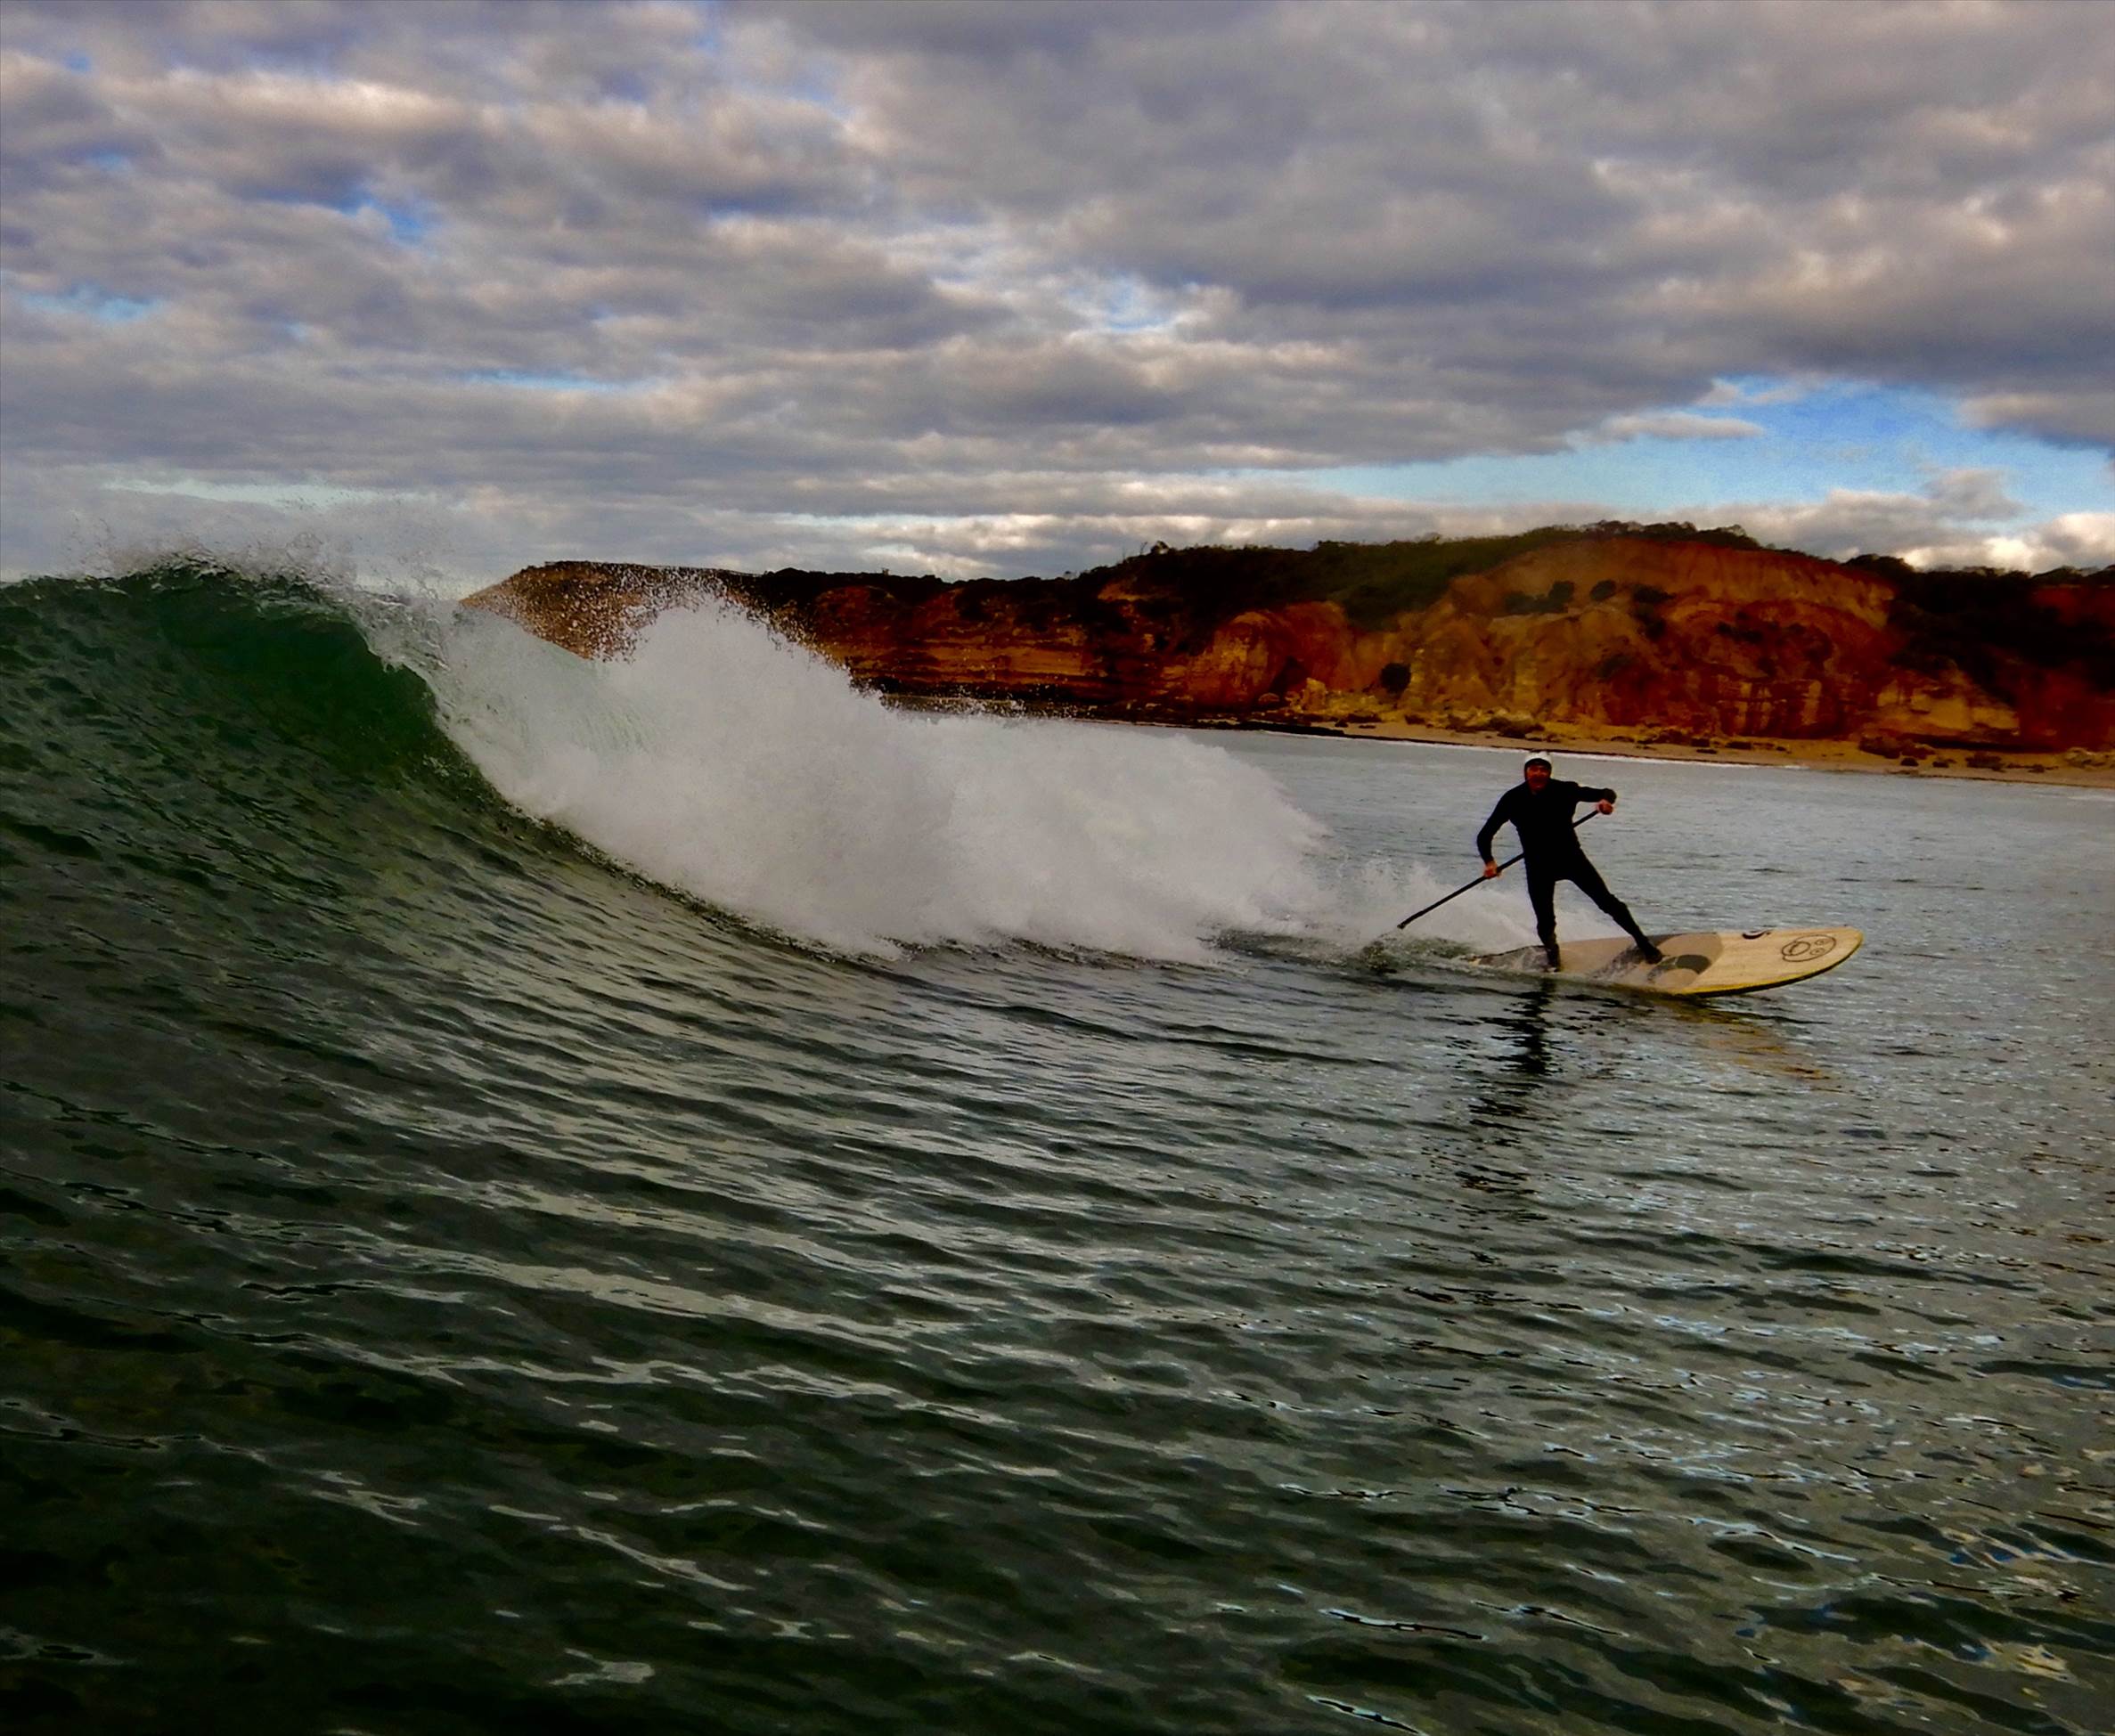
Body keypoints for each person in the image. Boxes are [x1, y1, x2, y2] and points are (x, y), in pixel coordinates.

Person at [1476, 756, 1662, 970]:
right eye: (1534, 769)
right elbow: (1485, 834)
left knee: (1608, 903)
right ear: (1526, 772)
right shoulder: (1512, 799)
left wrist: (1605, 802)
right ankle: (1553, 958)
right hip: (1538, 864)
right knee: (1545, 919)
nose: (1538, 774)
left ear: (1549, 773)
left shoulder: (1566, 790)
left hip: (1571, 858)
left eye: (1543, 770)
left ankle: (1644, 944)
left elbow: (1606, 792)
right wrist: (1489, 862)